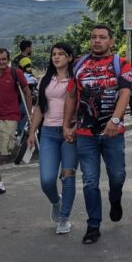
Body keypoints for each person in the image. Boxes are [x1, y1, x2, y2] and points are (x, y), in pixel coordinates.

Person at [63, 24, 132, 245]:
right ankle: (93, 225)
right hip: (85, 133)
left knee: (117, 176)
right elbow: (72, 96)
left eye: (102, 37)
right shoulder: (78, 64)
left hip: (113, 133)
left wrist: (115, 120)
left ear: (111, 41)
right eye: (93, 37)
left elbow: (125, 93)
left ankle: (115, 198)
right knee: (90, 181)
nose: (97, 41)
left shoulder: (120, 64)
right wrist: (67, 124)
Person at [27, 43, 77, 234]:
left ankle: (64, 218)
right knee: (47, 180)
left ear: (70, 58)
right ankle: (56, 202)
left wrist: (76, 127)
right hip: (48, 132)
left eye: (61, 54)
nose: (56, 57)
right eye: (54, 54)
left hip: (69, 133)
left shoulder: (76, 79)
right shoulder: (45, 80)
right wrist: (32, 133)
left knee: (68, 177)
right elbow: (39, 108)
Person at [0, 48, 32, 197]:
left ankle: (21, 145)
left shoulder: (15, 73)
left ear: (8, 59)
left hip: (10, 116)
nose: (1, 62)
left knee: (7, 150)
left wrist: (29, 114)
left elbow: (27, 92)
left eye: (4, 59)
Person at [12, 39, 35, 137]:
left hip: (15, 88)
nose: (32, 49)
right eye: (31, 47)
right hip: (24, 89)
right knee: (26, 111)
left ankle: (15, 129)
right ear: (27, 48)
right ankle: (20, 131)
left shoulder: (15, 59)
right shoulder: (26, 60)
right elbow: (28, 76)